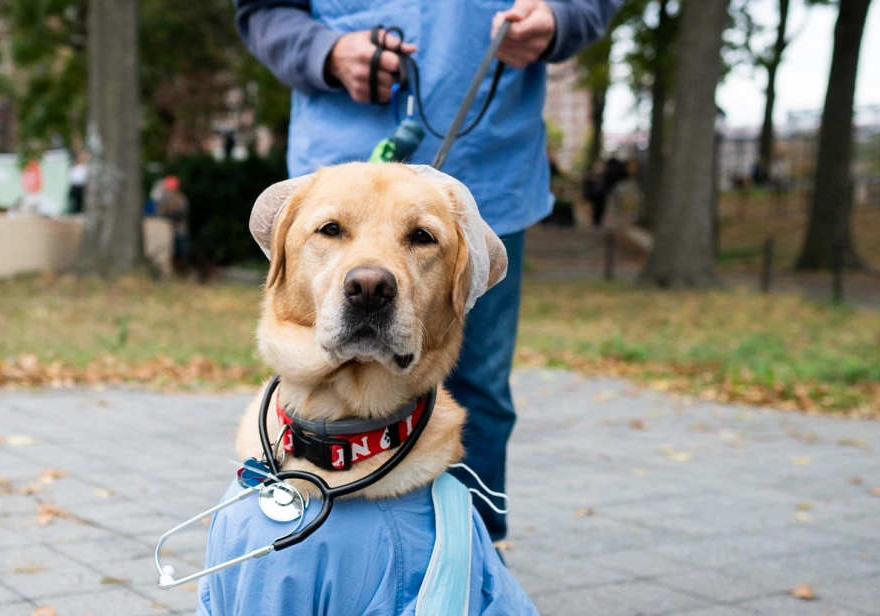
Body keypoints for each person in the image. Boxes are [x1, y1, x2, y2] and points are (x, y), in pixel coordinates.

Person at [234, 0, 622, 543]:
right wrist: (323, 51)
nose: (372, 277)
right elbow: (266, 9)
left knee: (480, 387)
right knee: (314, 375)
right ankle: (311, 541)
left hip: (488, 156)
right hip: (339, 151)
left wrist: (560, 18)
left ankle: (470, 562)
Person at [156, 175, 191, 268]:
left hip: (179, 230)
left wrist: (170, 213)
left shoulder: (180, 198)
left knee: (181, 251)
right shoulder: (163, 199)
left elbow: (182, 212)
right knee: (167, 252)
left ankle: (180, 271)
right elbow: (160, 213)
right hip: (166, 230)